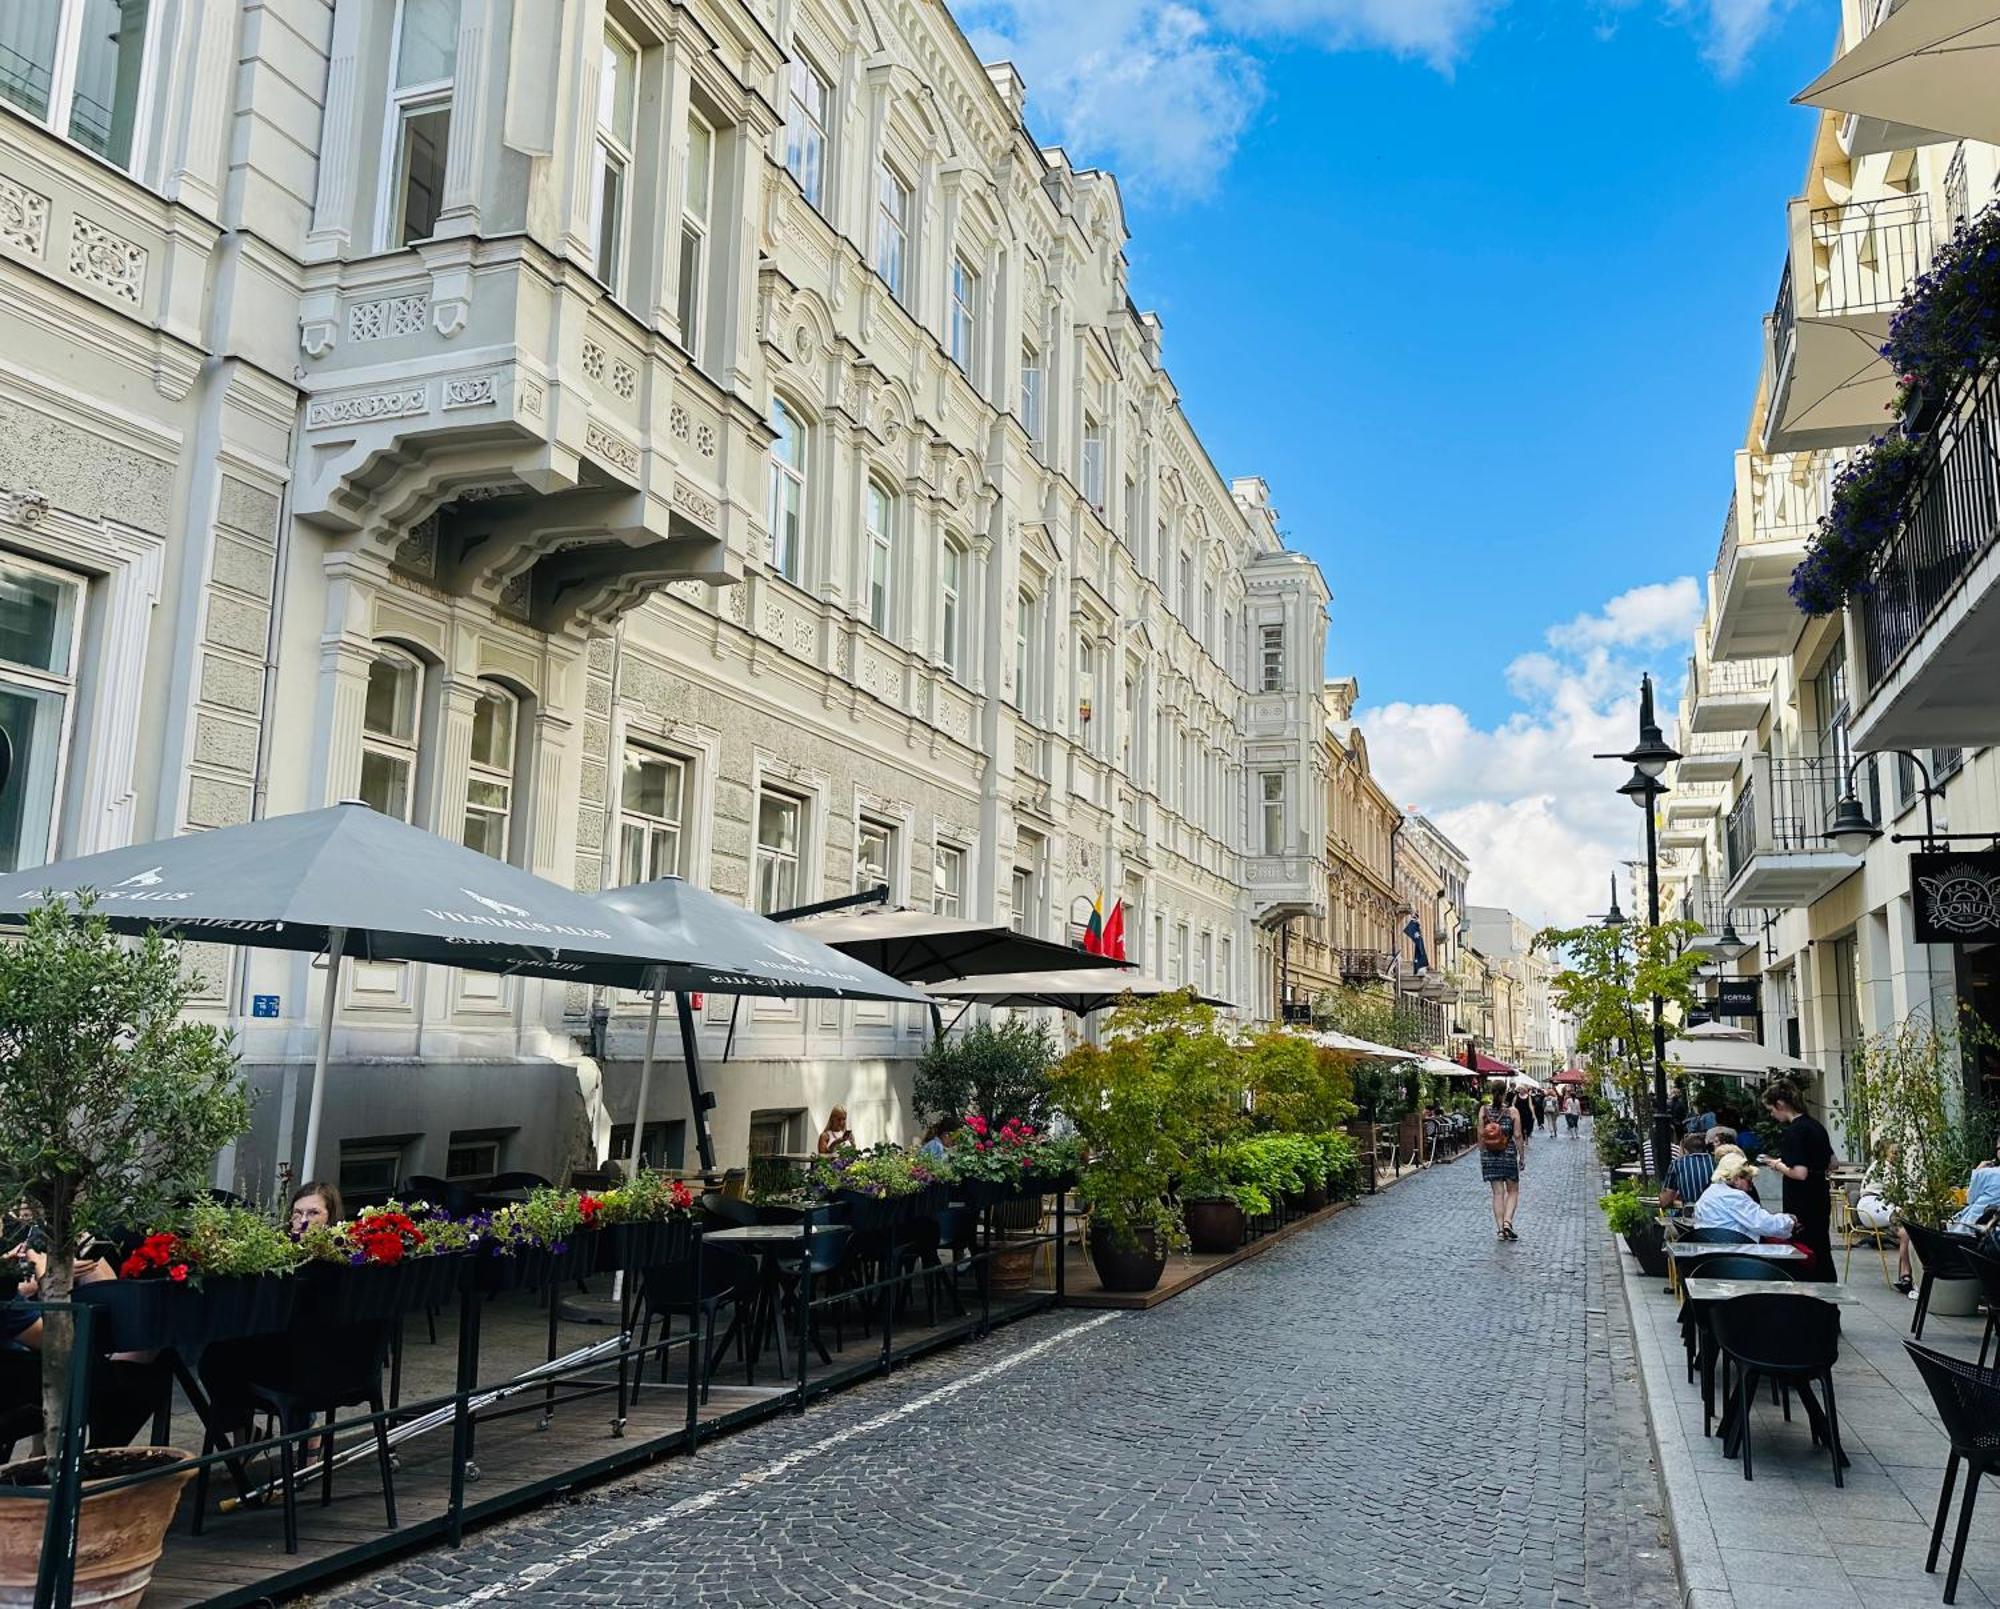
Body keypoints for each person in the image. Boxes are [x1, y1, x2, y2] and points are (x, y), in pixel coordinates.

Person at [1759, 1080, 1834, 1280]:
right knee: (1821, 1245)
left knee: (1804, 1248)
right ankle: (1826, 1288)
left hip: (1802, 1199)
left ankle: (1808, 1289)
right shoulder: (1816, 1126)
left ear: (1780, 1104)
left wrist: (1777, 1165)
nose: (1771, 1114)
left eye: (1771, 1109)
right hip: (1820, 1193)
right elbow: (1832, 1163)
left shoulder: (1794, 1132)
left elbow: (1800, 1173)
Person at [1692, 1154, 1798, 1241]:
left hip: (1712, 1252)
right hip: (1737, 1253)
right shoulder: (1734, 1197)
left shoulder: (1710, 1192)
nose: (1750, 1187)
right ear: (1737, 1179)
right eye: (1749, 1180)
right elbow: (1763, 1223)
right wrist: (1789, 1220)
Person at [1856, 1141, 1914, 1295]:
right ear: (1885, 1153)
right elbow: (1894, 1192)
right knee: (1904, 1219)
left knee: (1905, 1232)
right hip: (1871, 1205)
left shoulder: (1893, 1169)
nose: (1898, 1156)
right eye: (1894, 1153)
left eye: (1899, 1152)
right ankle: (1906, 1274)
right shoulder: (1882, 1167)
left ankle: (1905, 1275)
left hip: (1882, 1205)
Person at [1478, 1082, 1521, 1241]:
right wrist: (1521, 1156)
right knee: (1513, 1191)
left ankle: (1500, 1230)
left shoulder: (1483, 1110)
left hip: (1490, 1156)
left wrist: (1483, 1154)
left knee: (1497, 1193)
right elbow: (1517, 1135)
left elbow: (1481, 1135)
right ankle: (1508, 1222)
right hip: (1508, 1155)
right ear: (1505, 1093)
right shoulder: (1512, 1111)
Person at [1658, 1129, 1713, 1210]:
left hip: (1691, 1213)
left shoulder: (1678, 1164)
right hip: (1715, 1212)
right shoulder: (1716, 1161)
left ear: (1685, 1150)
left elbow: (1665, 1201)